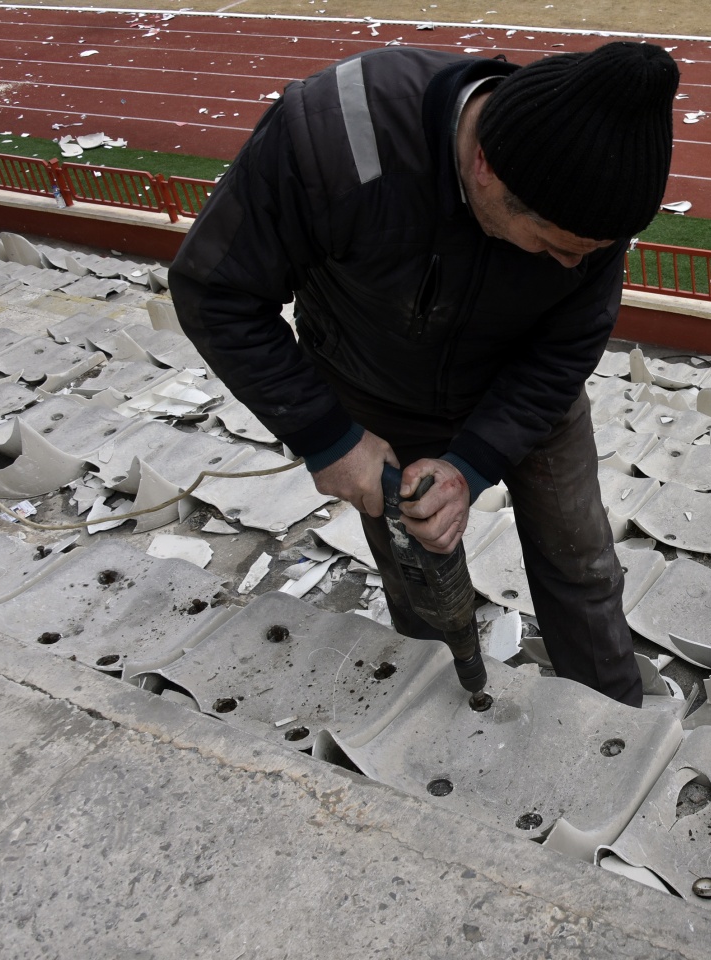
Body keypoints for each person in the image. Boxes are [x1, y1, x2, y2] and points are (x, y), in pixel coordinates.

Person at [168, 42, 681, 707]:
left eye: (586, 254)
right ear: (485, 166)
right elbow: (216, 290)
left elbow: (564, 350)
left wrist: (470, 466)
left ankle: (613, 720)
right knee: (421, 575)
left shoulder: (588, 186)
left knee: (579, 563)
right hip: (377, 387)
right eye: (553, 245)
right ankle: (438, 711)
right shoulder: (331, 139)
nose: (567, 266)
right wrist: (328, 437)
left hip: (522, 390)